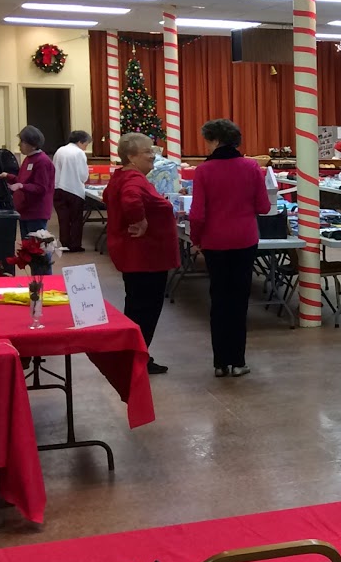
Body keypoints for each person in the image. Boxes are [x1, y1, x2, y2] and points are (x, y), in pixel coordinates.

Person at [190, 118, 269, 377]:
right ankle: (238, 361)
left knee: (219, 300)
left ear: (214, 141)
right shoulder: (251, 167)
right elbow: (264, 207)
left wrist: (196, 239)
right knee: (239, 301)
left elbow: (197, 214)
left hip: (215, 241)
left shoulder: (203, 171)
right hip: (245, 240)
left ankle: (220, 363)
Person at [104, 132, 178, 375]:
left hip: (137, 257)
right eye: (147, 151)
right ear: (131, 156)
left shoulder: (123, 176)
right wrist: (142, 221)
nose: (153, 156)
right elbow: (131, 200)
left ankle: (133, 355)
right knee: (145, 310)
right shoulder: (134, 179)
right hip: (145, 258)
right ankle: (137, 359)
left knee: (136, 307)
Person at [4, 126, 56, 275]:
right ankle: (36, 278)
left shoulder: (42, 161)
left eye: (22, 142)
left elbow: (41, 188)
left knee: (39, 249)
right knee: (30, 250)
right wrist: (7, 176)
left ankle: (44, 280)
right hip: (25, 210)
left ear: (32, 143)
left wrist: (21, 185)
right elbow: (23, 180)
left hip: (36, 211)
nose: (20, 145)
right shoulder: (29, 159)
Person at [53, 129, 91, 252]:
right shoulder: (79, 153)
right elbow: (83, 175)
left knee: (63, 219)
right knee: (75, 220)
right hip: (74, 190)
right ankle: (74, 245)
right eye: (86, 144)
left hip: (58, 189)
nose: (85, 147)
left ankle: (64, 243)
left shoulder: (60, 150)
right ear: (80, 141)